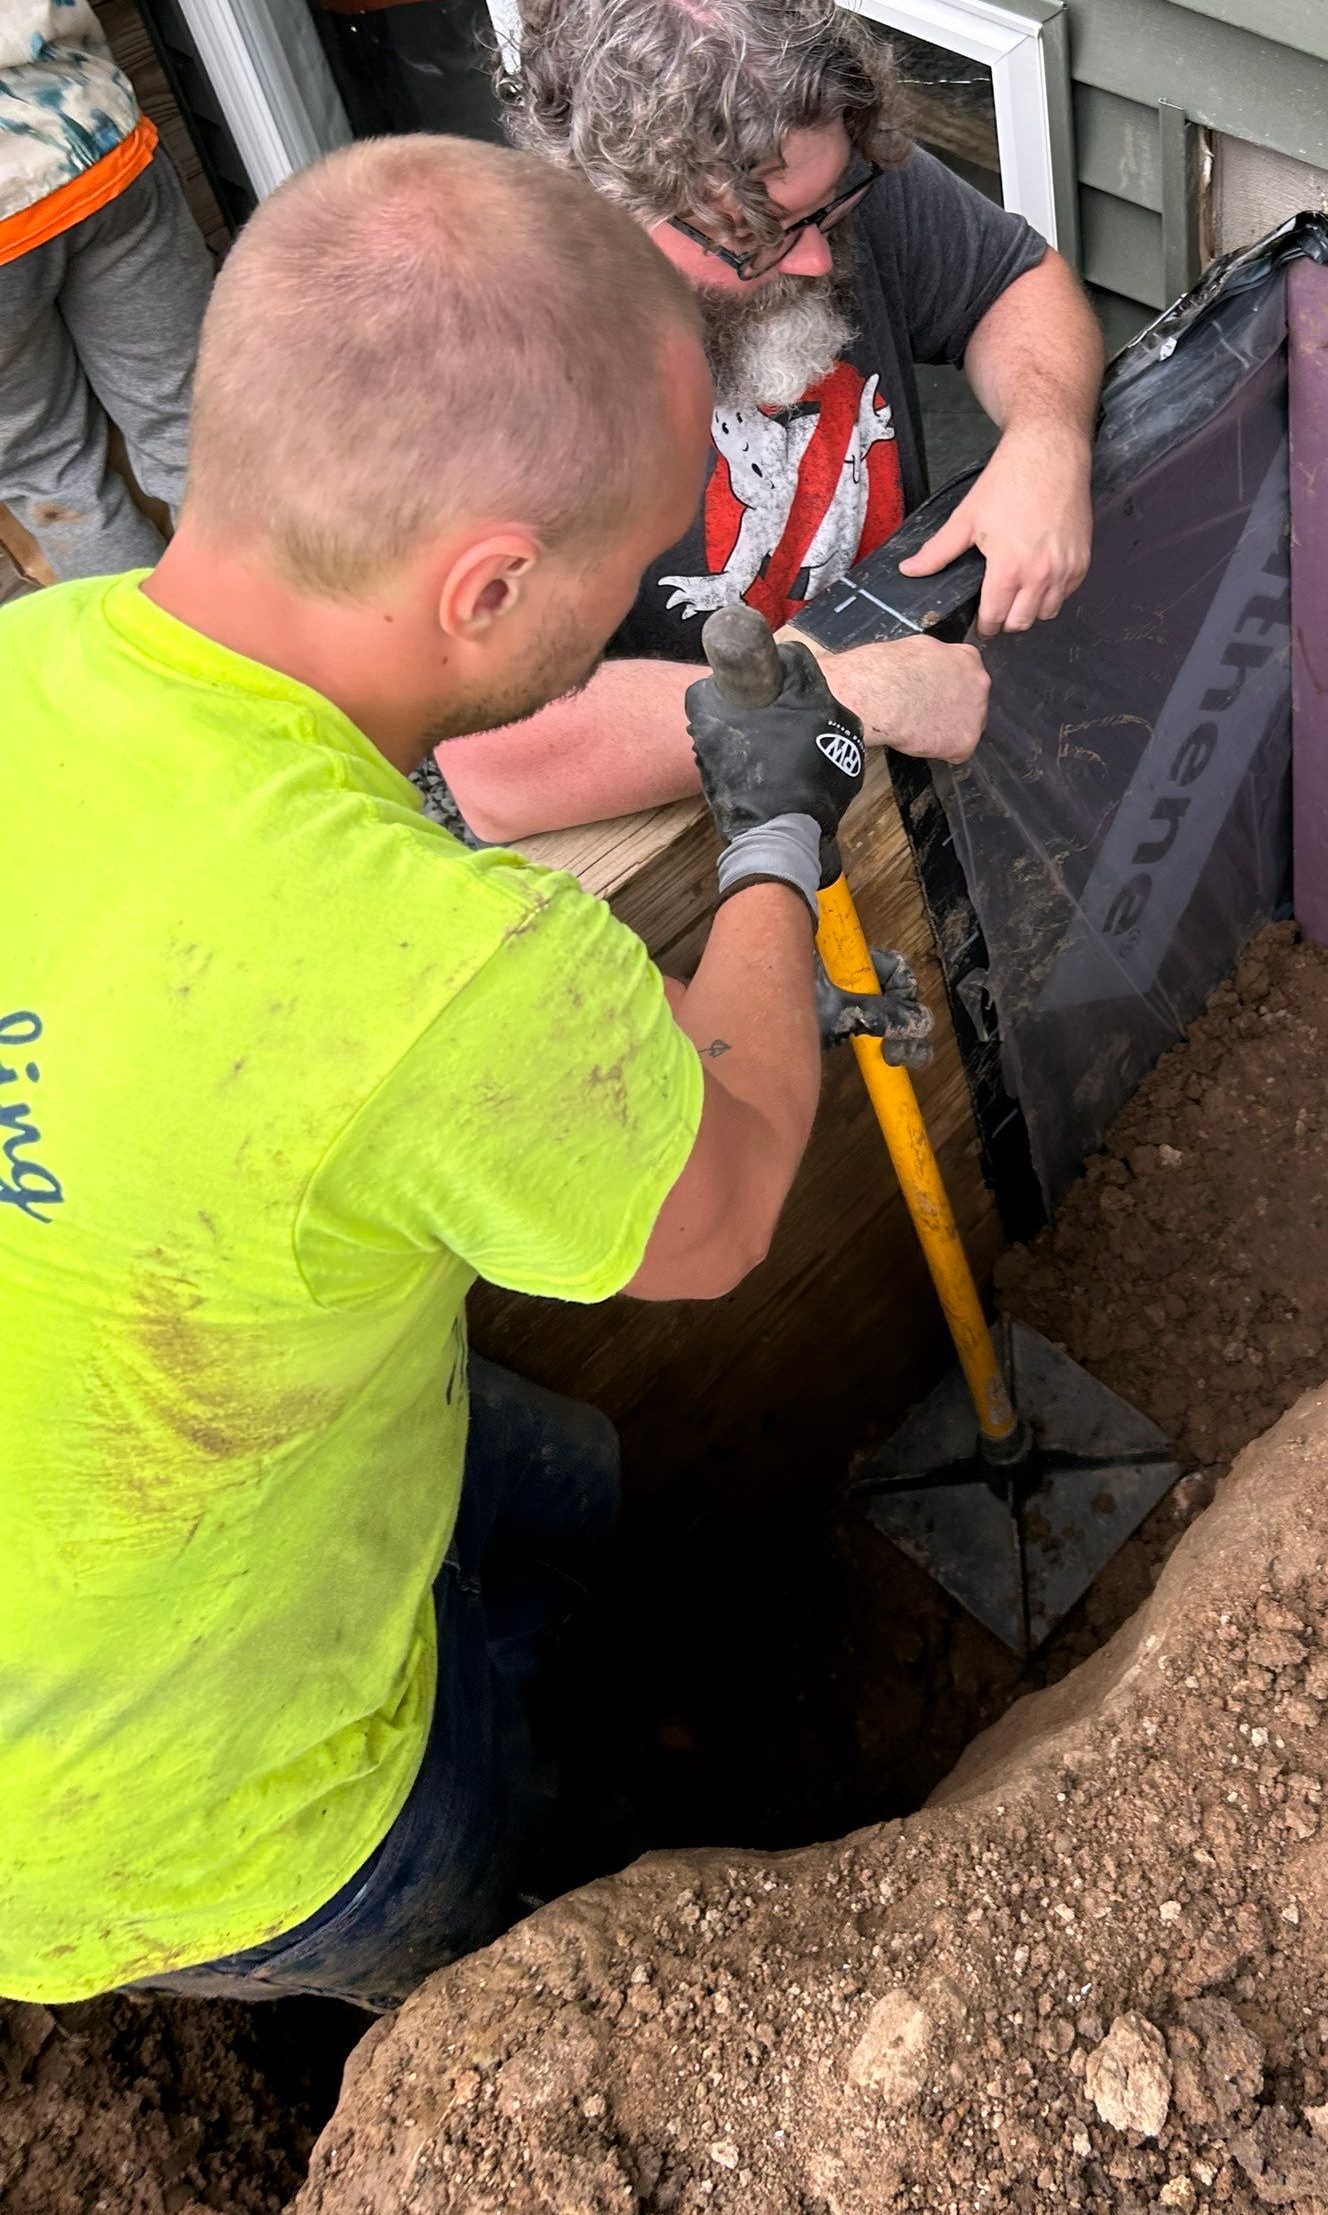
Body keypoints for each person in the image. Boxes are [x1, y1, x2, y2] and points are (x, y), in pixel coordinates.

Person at [0, 134, 893, 2011]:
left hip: (117, 1468)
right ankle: (524, 1939)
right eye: (631, 567)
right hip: (179, 1808)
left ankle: (593, 1707)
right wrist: (771, 839)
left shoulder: (42, 656)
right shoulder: (446, 974)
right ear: (485, 589)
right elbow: (720, 1206)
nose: (649, 597)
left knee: (559, 1482)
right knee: (515, 1955)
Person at [433, 0, 1105, 842]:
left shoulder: (816, 172)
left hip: (890, 747)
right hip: (695, 831)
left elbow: (1017, 281)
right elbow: (495, 758)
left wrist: (1047, 438)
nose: (821, 259)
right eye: (758, 239)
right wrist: (834, 693)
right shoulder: (489, 367)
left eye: (830, 210)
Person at [0, 0, 215, 575]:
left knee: (57, 480)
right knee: (201, 434)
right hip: (82, 150)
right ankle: (320, 677)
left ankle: (181, 709)